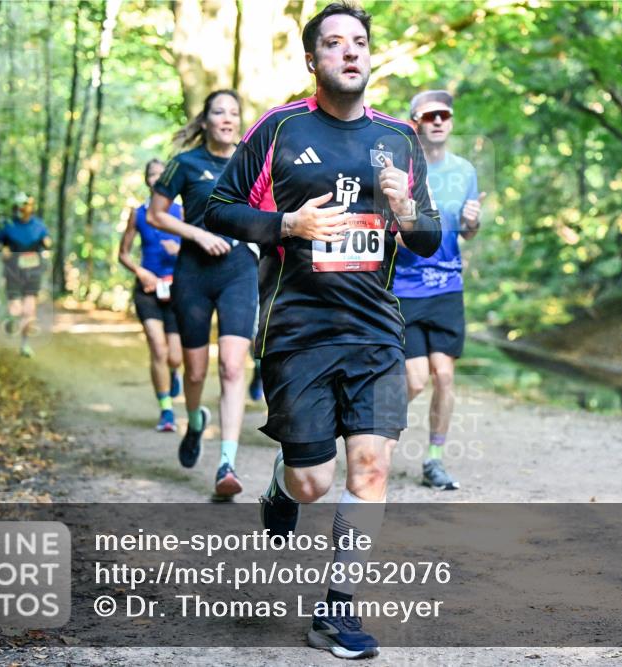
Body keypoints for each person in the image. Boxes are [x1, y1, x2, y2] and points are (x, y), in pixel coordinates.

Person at [205, 2, 440, 659]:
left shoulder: (397, 139)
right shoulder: (279, 128)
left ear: (370, 55)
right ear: (314, 61)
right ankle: (283, 486)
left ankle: (337, 611)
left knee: (371, 464)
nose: (349, 52)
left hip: (374, 326)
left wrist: (406, 208)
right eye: (334, 43)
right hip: (299, 324)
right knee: (312, 481)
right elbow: (217, 208)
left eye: (359, 42)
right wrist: (287, 225)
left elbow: (427, 239)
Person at [148, 90, 258, 499]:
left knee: (232, 367)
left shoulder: (252, 161)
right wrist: (197, 233)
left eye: (233, 112)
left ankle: (227, 463)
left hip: (238, 271)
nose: (227, 119)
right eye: (218, 112)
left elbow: (272, 208)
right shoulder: (185, 162)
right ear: (206, 120)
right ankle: (195, 422)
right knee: (194, 372)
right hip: (193, 273)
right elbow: (157, 213)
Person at [393, 90, 486, 491]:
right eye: (428, 115)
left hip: (447, 285)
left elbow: (467, 232)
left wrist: (472, 221)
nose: (437, 121)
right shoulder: (401, 171)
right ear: (415, 123)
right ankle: (369, 430)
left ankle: (434, 460)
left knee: (444, 377)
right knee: (414, 380)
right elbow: (388, 234)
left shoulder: (465, 170)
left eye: (443, 115)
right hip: (407, 288)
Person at [119, 159, 185, 432]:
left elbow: (202, 247)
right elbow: (122, 253)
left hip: (178, 290)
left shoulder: (183, 211)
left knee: (175, 357)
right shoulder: (138, 214)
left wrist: (180, 252)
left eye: (161, 174)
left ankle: (172, 373)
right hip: (148, 290)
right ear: (147, 180)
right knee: (157, 348)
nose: (157, 179)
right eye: (152, 175)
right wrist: (140, 272)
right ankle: (166, 411)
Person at [0, 193, 50, 358]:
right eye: (21, 206)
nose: (24, 209)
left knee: (29, 310)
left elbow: (46, 242)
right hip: (13, 271)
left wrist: (46, 245)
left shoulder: (39, 225)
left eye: (27, 205)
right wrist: (2, 249)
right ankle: (10, 319)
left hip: (32, 272)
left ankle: (25, 345)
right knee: (15, 308)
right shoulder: (8, 226)